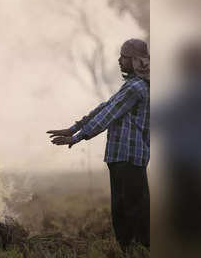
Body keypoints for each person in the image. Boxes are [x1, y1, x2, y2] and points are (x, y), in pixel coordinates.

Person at [47, 39, 150, 251]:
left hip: (128, 158)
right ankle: (131, 251)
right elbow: (106, 106)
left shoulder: (136, 88)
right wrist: (74, 127)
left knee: (133, 212)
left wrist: (77, 137)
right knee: (123, 210)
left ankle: (139, 251)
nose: (119, 60)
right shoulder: (131, 85)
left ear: (136, 60)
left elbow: (107, 116)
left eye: (124, 56)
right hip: (122, 158)